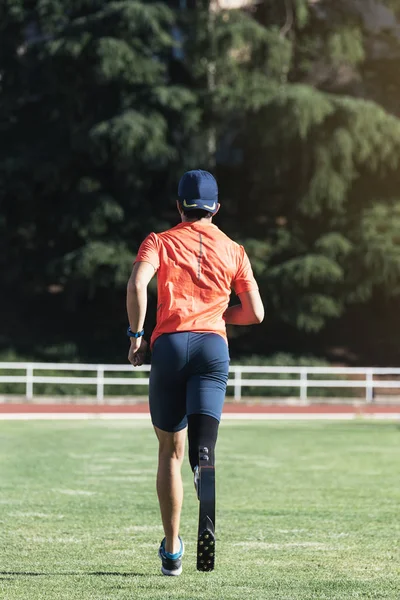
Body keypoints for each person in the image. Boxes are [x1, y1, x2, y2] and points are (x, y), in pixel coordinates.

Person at [126, 169, 264, 576]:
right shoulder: (234, 249)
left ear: (179, 206)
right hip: (212, 347)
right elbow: (255, 313)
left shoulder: (160, 241)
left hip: (169, 346)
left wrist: (137, 336)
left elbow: (137, 285)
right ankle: (206, 464)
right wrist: (219, 313)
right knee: (203, 447)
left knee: (169, 452)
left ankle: (172, 552)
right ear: (216, 207)